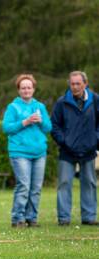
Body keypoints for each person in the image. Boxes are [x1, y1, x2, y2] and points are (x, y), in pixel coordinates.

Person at [2, 74, 52, 228]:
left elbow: (48, 128)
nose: (26, 90)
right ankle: (17, 219)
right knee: (24, 185)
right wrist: (25, 121)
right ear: (18, 90)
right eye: (23, 88)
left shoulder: (40, 107)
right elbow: (6, 128)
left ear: (33, 89)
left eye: (29, 87)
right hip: (19, 152)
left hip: (39, 153)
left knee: (36, 188)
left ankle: (32, 218)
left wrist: (41, 121)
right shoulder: (13, 107)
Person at [51, 71, 99, 226]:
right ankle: (64, 218)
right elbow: (55, 126)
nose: (75, 87)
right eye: (72, 84)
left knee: (90, 183)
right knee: (64, 184)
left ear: (85, 84)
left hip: (89, 150)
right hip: (67, 151)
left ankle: (89, 217)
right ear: (69, 84)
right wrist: (63, 141)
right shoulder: (61, 102)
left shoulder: (95, 100)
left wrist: (95, 140)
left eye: (78, 83)